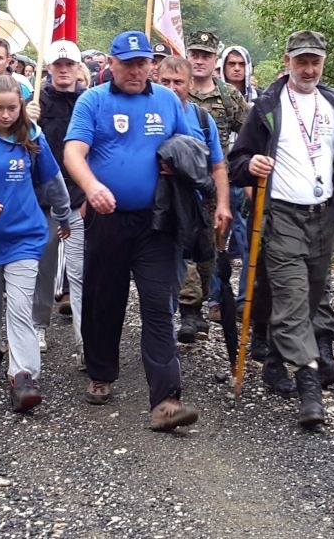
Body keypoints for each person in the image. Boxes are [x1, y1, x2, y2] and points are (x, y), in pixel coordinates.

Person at [228, 30, 334, 427]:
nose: (309, 68)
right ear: (288, 61)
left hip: (323, 218)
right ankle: (309, 388)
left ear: (323, 63)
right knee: (294, 303)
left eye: (315, 61)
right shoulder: (268, 104)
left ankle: (275, 364)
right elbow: (237, 160)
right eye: (301, 61)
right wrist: (251, 166)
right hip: (281, 215)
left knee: (312, 297)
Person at [63, 30, 201, 431]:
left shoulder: (167, 100)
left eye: (143, 63)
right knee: (105, 299)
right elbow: (73, 152)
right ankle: (102, 372)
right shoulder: (94, 100)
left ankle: (166, 400)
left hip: (156, 223)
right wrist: (91, 186)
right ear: (112, 63)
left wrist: (178, 162)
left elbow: (189, 146)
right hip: (106, 220)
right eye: (128, 63)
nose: (137, 70)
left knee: (158, 306)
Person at [0, 74, 72, 412]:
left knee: (20, 305)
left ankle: (23, 376)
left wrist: (64, 216)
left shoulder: (33, 138)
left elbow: (53, 182)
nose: (6, 115)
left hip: (25, 235)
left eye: (12, 108)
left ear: (21, 106)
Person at [158, 56, 233, 361]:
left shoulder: (203, 119)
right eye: (166, 82)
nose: (173, 88)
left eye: (179, 82)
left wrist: (224, 204)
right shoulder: (147, 115)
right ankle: (174, 320)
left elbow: (218, 165)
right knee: (171, 264)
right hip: (161, 205)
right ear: (155, 80)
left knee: (205, 261)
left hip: (200, 202)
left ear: (190, 85)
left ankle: (195, 309)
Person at [180, 30, 247, 342]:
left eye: (205, 55)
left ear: (214, 59)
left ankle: (202, 300)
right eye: (194, 54)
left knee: (208, 253)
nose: (199, 60)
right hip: (179, 187)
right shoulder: (176, 90)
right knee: (182, 251)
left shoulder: (230, 97)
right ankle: (188, 312)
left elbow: (248, 134)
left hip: (212, 186)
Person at [32, 40, 88, 373]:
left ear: (78, 68)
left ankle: (84, 340)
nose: (64, 70)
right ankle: (39, 325)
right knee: (43, 265)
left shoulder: (90, 102)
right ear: (49, 67)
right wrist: (25, 119)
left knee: (81, 273)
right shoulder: (36, 103)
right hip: (43, 197)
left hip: (80, 197)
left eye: (69, 65)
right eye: (58, 65)